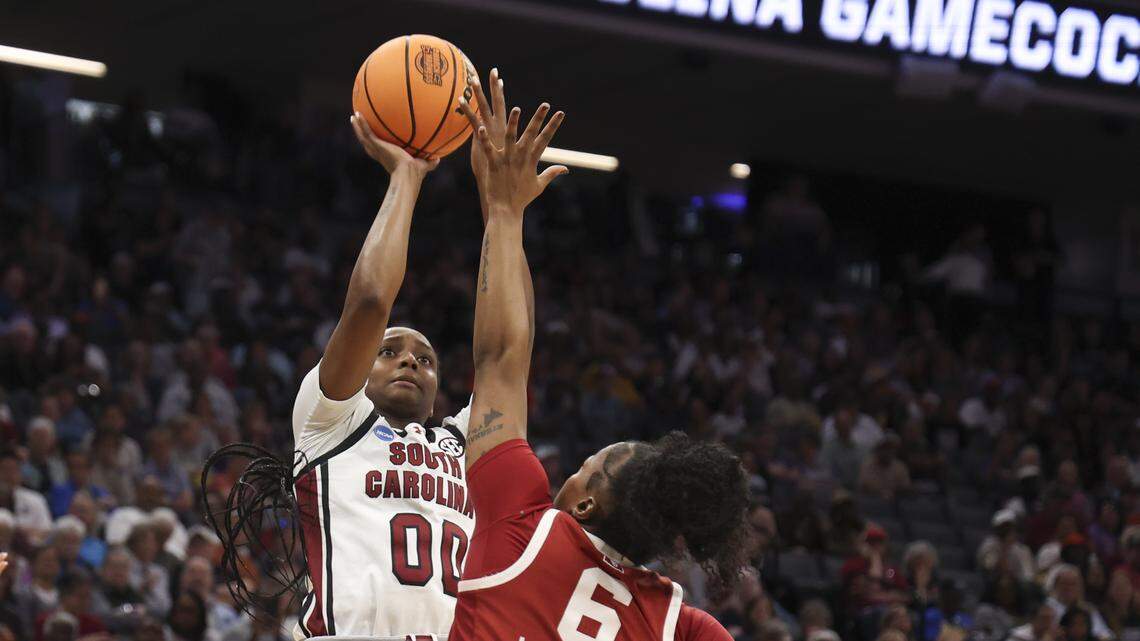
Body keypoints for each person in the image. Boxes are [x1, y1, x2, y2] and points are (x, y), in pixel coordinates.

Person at [448, 75, 743, 641]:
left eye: (584, 466)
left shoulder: (522, 527)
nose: (572, 469)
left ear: (584, 505)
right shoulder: (684, 626)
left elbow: (504, 357)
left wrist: (504, 213)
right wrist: (503, 218)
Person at [203, 69, 493, 641]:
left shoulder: (463, 444)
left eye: (427, 359)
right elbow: (368, 303)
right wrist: (406, 179)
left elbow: (507, 355)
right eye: (391, 351)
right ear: (363, 370)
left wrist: (502, 212)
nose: (411, 361)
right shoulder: (331, 417)